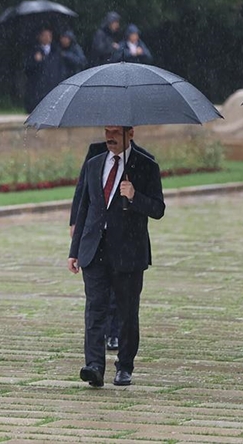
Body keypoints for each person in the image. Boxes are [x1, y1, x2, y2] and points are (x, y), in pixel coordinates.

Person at [68, 126, 165, 387]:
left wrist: (134, 197)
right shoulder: (94, 164)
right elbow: (84, 208)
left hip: (128, 253)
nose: (109, 137)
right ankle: (94, 366)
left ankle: (125, 366)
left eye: (115, 132)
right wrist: (74, 251)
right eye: (107, 131)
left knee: (127, 313)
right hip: (94, 250)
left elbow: (158, 208)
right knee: (95, 309)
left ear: (130, 134)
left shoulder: (146, 165)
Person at [23, 27, 62, 113]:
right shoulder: (33, 50)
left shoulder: (56, 50)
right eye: (44, 35)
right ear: (39, 37)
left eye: (49, 35)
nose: (47, 38)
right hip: (37, 85)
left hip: (52, 83)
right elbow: (27, 68)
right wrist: (37, 61)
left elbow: (59, 68)